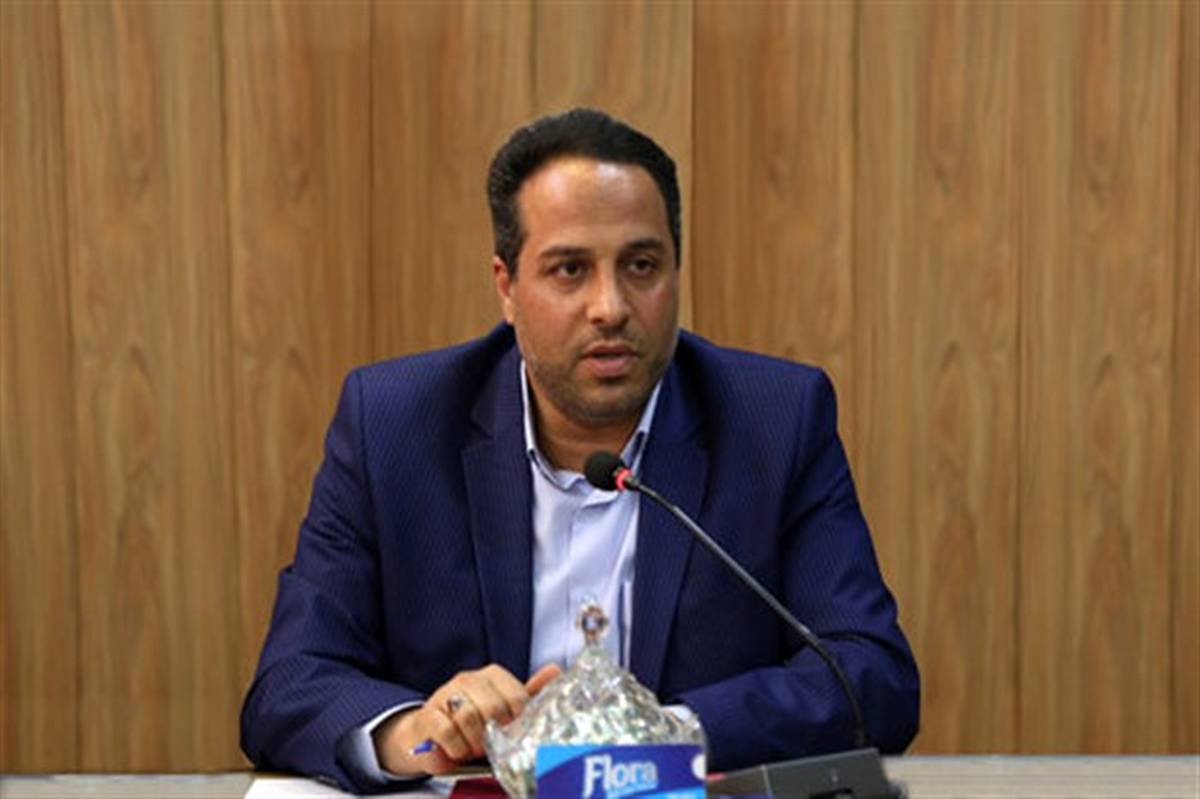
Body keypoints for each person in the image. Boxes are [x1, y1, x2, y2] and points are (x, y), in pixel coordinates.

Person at [240, 108, 919, 793]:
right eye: (570, 270)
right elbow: (291, 681)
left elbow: (871, 675)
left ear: (676, 270)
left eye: (641, 266)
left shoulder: (774, 422)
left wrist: (662, 735)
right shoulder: (395, 427)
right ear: (507, 286)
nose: (610, 307)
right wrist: (417, 732)